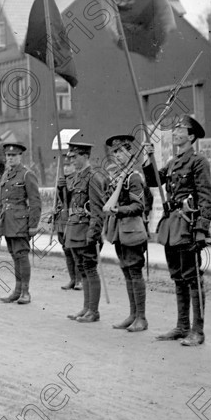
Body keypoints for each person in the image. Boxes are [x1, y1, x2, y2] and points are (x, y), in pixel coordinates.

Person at [146, 115, 211, 347]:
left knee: (193, 278)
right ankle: (182, 326)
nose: (175, 132)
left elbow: (206, 198)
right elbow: (153, 181)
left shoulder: (198, 162)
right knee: (178, 277)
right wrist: (148, 159)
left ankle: (198, 330)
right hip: (172, 225)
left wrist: (201, 229)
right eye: (174, 129)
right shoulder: (174, 162)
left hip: (188, 225)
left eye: (180, 129)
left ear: (191, 136)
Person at [104, 135, 149, 332]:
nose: (118, 156)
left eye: (121, 151)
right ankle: (132, 314)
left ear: (129, 152)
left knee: (135, 273)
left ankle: (141, 317)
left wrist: (119, 210)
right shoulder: (119, 177)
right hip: (119, 232)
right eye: (114, 152)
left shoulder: (134, 177)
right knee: (127, 272)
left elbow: (139, 206)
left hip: (132, 230)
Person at [63, 141, 108, 323]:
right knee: (82, 269)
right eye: (70, 156)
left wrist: (93, 234)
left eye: (75, 157)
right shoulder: (77, 177)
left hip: (86, 230)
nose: (71, 160)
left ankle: (93, 311)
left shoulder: (93, 177)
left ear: (85, 156)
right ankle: (86, 308)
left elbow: (98, 210)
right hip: (75, 229)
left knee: (90, 269)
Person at [0, 143, 41, 305]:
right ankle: (17, 291)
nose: (10, 158)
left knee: (21, 256)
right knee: (14, 256)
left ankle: (25, 292)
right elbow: (1, 201)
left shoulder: (27, 174)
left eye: (13, 155)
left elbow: (35, 201)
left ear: (20, 156)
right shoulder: (6, 174)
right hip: (7, 221)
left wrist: (33, 225)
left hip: (21, 221)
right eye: (8, 156)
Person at [56, 153, 80, 290]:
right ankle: (72, 279)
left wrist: (64, 188)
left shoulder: (77, 179)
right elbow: (57, 201)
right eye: (64, 165)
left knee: (74, 250)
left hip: (72, 219)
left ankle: (79, 280)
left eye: (69, 165)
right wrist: (59, 188)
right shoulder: (60, 180)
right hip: (62, 220)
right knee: (66, 250)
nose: (66, 168)